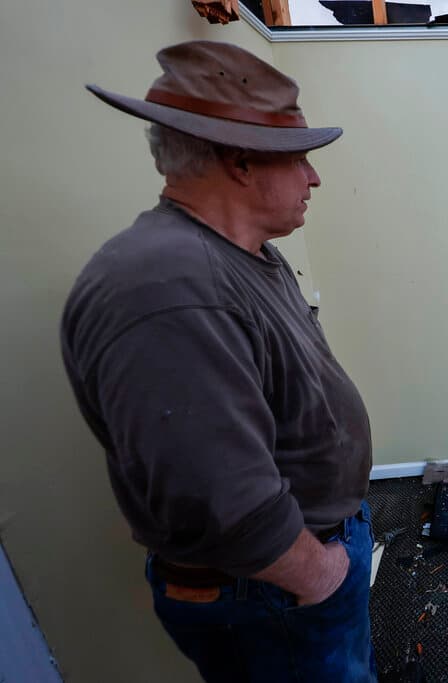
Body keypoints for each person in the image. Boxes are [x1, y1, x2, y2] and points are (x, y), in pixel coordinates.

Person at [60, 40, 376, 682]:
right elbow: (220, 503)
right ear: (239, 160)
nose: (314, 177)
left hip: (294, 573)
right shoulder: (168, 286)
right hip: (274, 593)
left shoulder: (246, 253)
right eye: (300, 159)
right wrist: (322, 576)